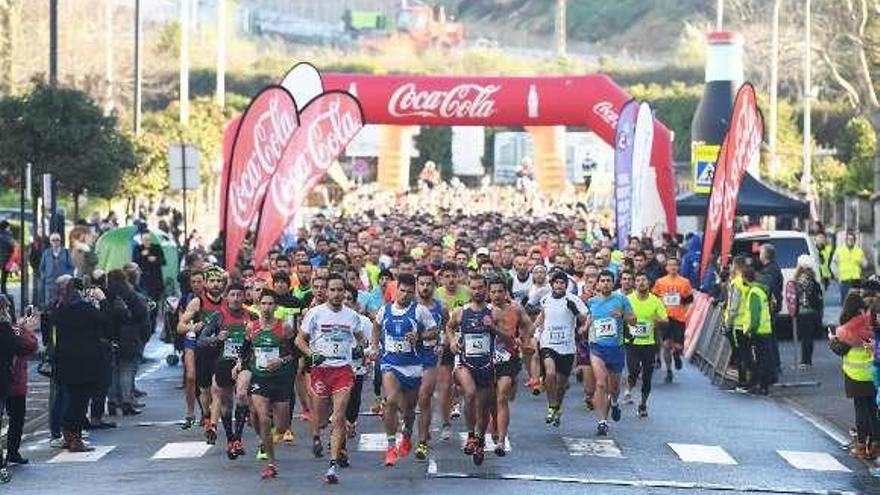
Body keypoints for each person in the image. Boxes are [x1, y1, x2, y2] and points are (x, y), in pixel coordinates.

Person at [296, 273, 365, 484]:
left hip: (343, 371)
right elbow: (299, 340)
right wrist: (312, 354)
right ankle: (319, 435)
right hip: (320, 371)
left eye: (340, 290)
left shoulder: (351, 316)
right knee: (322, 418)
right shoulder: (315, 314)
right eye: (332, 290)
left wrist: (359, 350)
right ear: (326, 291)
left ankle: (333, 464)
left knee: (338, 416)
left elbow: (360, 339)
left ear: (345, 292)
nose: (336, 294)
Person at [372, 273, 437, 467]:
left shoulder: (420, 311)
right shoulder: (385, 310)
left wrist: (419, 336)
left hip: (413, 366)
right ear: (396, 290)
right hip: (390, 363)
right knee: (391, 400)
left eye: (410, 292)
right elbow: (376, 327)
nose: (405, 295)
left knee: (409, 411)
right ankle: (391, 446)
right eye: (402, 291)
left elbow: (434, 330)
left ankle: (407, 434)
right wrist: (375, 346)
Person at [447, 273, 508, 465]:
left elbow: (508, 337)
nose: (477, 291)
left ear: (486, 289)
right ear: (469, 289)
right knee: (470, 393)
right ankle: (471, 435)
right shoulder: (461, 312)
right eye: (473, 288)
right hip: (464, 362)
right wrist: (452, 340)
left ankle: (480, 440)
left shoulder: (495, 312)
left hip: (487, 364)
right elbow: (449, 327)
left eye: (481, 287)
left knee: (482, 407)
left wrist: (493, 330)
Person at [236, 291, 295, 479]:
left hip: (280, 380)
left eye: (271, 304)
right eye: (264, 303)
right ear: (258, 305)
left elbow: (294, 354)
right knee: (263, 419)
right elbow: (245, 349)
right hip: (259, 378)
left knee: (281, 427)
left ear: (276, 307)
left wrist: (281, 361)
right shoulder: (251, 328)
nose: (267, 307)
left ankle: (269, 438)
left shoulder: (284, 328)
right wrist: (239, 363)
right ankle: (270, 462)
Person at [52, 277, 110, 452]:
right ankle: (74, 436)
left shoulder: (60, 309)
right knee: (80, 401)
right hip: (86, 361)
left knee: (72, 398)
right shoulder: (86, 309)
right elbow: (106, 321)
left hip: (65, 360)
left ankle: (68, 433)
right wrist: (103, 300)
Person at [532, 270, 589, 427]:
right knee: (550, 374)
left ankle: (558, 406)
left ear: (566, 285)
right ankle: (551, 406)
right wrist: (532, 330)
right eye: (556, 283)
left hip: (567, 347)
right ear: (551, 285)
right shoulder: (545, 299)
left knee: (561, 383)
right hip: (548, 344)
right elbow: (542, 317)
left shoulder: (574, 300)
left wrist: (575, 311)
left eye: (562, 283)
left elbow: (585, 320)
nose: (559, 285)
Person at [199, 282, 250, 457]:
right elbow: (201, 339)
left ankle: (238, 437)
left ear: (244, 297)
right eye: (232, 295)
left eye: (239, 295)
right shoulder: (218, 316)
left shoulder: (251, 316)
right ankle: (230, 439)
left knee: (242, 394)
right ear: (227, 297)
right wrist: (216, 338)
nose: (236, 299)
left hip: (244, 363)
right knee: (226, 403)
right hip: (224, 363)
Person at [829, 293, 880, 459]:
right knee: (873, 411)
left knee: (861, 411)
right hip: (873, 375)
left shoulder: (845, 330)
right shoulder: (871, 324)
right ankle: (875, 445)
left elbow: (840, 349)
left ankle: (860, 446)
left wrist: (831, 340)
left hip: (855, 376)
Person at [587, 270, 636, 436]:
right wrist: (584, 327)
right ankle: (602, 421)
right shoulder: (592, 301)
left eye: (609, 280)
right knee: (601, 383)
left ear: (613, 283)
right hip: (597, 347)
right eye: (603, 281)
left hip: (616, 348)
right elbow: (588, 319)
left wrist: (622, 315)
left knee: (614, 387)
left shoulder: (621, 299)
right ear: (598, 284)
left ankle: (614, 402)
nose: (606, 283)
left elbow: (634, 320)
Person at [488, 276, 532, 456]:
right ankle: (495, 425)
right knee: (491, 400)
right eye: (493, 291)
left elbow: (528, 325)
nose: (497, 295)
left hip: (509, 357)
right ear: (488, 293)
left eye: (500, 291)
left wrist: (524, 340)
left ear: (506, 292)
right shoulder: (483, 310)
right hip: (487, 358)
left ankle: (501, 441)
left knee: (502, 396)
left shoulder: (515, 308)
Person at [414, 270, 448, 461]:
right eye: (422, 284)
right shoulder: (410, 306)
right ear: (417, 285)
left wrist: (442, 345)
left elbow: (447, 328)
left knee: (425, 396)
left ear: (434, 286)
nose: (425, 287)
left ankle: (422, 442)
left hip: (430, 355)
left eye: (429, 284)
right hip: (409, 357)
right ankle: (411, 424)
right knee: (408, 401)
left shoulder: (441, 307)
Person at [624, 271, 667, 417]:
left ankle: (642, 404)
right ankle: (629, 386)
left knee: (647, 376)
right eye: (638, 280)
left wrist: (658, 320)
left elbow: (665, 320)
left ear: (648, 283)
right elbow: (620, 315)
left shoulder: (656, 301)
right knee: (634, 370)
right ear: (634, 283)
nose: (641, 283)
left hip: (649, 343)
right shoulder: (628, 299)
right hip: (632, 342)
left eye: (644, 280)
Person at [106, 269, 148, 417]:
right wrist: (143, 335)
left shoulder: (106, 295)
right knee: (127, 370)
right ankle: (127, 402)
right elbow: (142, 314)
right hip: (129, 337)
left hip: (111, 337)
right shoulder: (131, 295)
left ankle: (112, 402)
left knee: (113, 371)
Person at [652, 258, 694, 383]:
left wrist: (685, 312)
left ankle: (676, 354)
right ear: (666, 268)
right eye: (670, 265)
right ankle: (669, 371)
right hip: (665, 318)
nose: (673, 267)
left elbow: (689, 299)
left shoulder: (685, 282)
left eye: (675, 265)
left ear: (678, 267)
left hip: (679, 318)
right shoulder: (660, 282)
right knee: (665, 345)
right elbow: (654, 298)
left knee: (678, 345)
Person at [745, 266, 774, 395]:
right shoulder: (761, 290)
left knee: (760, 359)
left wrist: (751, 329)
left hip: (758, 331)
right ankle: (764, 385)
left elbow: (754, 314)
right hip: (765, 329)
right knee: (765, 358)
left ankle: (761, 385)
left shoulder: (753, 293)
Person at [790, 255, 823, 367]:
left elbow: (797, 294)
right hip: (812, 311)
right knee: (808, 337)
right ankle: (807, 360)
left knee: (805, 338)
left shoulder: (802, 278)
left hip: (804, 311)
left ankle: (805, 361)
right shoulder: (811, 277)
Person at [39, 233, 74, 305]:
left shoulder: (66, 252)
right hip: (50, 284)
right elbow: (42, 267)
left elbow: (71, 267)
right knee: (49, 305)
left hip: (63, 284)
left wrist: (66, 278)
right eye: (53, 240)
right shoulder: (46, 253)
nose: (55, 242)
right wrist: (45, 277)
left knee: (63, 304)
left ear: (60, 241)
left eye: (57, 240)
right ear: (50, 241)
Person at [833, 231, 867, 304]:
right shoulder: (839, 250)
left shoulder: (859, 251)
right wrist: (836, 274)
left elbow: (865, 264)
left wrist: (861, 261)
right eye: (848, 239)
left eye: (852, 239)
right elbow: (833, 264)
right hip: (844, 280)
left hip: (856, 280)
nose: (850, 241)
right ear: (845, 240)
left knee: (855, 302)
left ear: (855, 241)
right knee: (845, 302)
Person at [132, 232, 166, 302]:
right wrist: (142, 255)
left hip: (156, 280)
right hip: (144, 280)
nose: (148, 242)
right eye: (145, 240)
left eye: (149, 240)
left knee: (155, 302)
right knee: (145, 300)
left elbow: (163, 261)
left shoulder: (156, 248)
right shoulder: (138, 249)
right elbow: (134, 262)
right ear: (141, 240)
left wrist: (155, 259)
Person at [0, 221, 13, 296]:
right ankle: (4, 293)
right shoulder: (7, 236)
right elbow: (12, 248)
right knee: (3, 280)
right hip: (6, 261)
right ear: (6, 227)